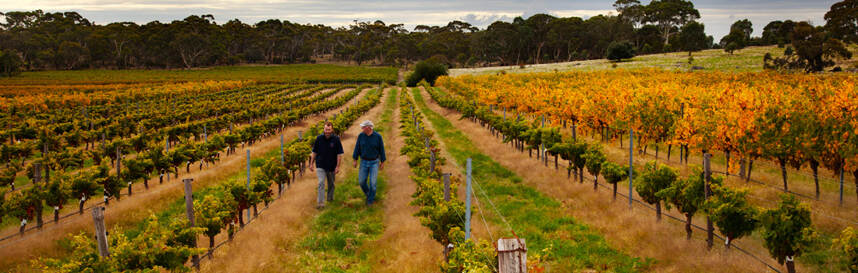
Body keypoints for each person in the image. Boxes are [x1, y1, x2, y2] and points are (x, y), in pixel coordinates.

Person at [352, 120, 385, 206]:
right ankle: (369, 194)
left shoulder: (378, 137)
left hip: (374, 162)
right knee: (362, 182)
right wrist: (355, 159)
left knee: (373, 184)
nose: (362, 128)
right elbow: (357, 148)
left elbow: (381, 149)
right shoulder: (361, 136)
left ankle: (370, 201)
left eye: (363, 127)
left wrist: (382, 162)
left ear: (369, 128)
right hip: (364, 162)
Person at [311, 122, 343, 209]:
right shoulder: (319, 138)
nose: (327, 131)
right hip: (320, 165)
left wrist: (337, 166)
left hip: (332, 165)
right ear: (323, 129)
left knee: (331, 183)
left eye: (329, 130)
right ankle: (320, 203)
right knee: (321, 182)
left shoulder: (336, 139)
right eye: (325, 129)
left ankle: (330, 198)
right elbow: (314, 152)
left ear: (332, 130)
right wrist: (311, 163)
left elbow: (339, 154)